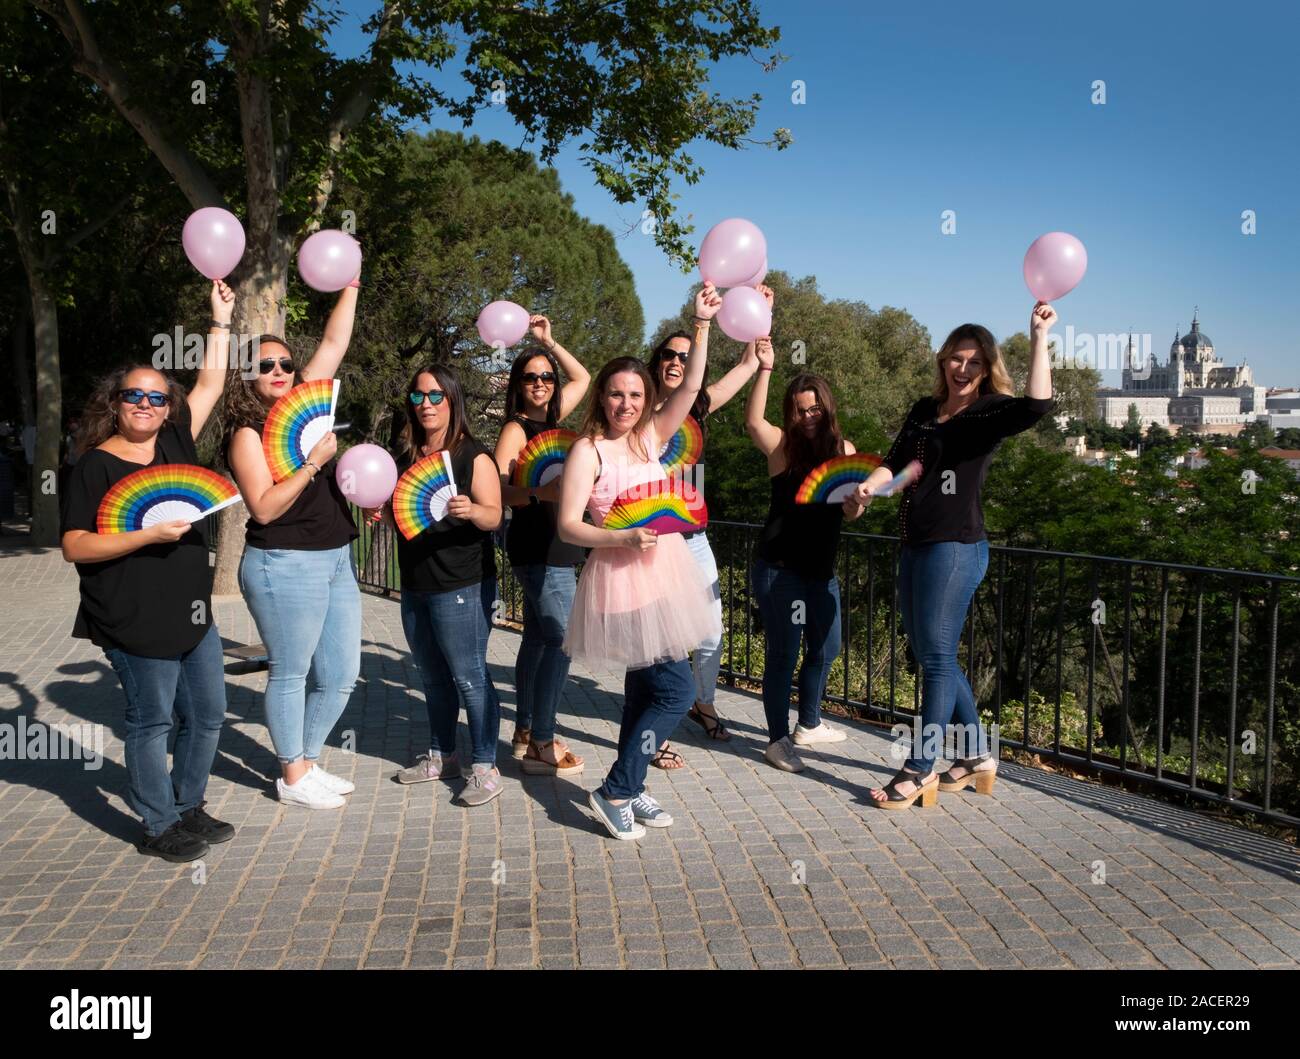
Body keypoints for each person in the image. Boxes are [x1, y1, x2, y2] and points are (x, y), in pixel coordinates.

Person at [855, 303, 1057, 809]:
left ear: (986, 369)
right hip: (915, 544)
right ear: (943, 361)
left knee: (938, 658)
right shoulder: (925, 410)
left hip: (956, 548)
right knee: (932, 655)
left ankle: (920, 767)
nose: (962, 369)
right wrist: (868, 488)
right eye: (955, 359)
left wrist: (1039, 336)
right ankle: (977, 758)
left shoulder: (989, 412)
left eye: (973, 362)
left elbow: (1037, 406)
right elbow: (897, 462)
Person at [60, 280, 235, 861]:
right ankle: (157, 825)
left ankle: (188, 806)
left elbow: (210, 381)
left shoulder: (177, 442)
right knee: (152, 721)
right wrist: (145, 534)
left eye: (156, 398)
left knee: (208, 715)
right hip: (131, 616)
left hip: (192, 612)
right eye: (134, 396)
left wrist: (219, 322)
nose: (145, 405)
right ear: (116, 402)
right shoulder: (94, 465)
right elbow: (76, 546)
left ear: (168, 408)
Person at [556, 284, 721, 839]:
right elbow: (568, 524)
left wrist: (700, 325)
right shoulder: (590, 451)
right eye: (615, 395)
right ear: (600, 398)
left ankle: (632, 786)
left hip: (667, 576)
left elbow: (693, 384)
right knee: (676, 691)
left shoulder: (650, 439)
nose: (625, 404)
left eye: (634, 395)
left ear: (644, 397)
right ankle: (617, 789)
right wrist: (621, 537)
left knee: (645, 691)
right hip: (621, 578)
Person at [224, 278, 362, 810]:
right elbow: (262, 506)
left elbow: (335, 343)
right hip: (283, 563)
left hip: (334, 557)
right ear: (248, 376)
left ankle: (305, 760)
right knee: (292, 671)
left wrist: (350, 283)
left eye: (285, 363)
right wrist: (312, 465)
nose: (278, 372)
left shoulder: (307, 402)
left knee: (343, 675)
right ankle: (291, 776)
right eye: (266, 366)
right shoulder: (245, 432)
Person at [642, 289, 769, 769]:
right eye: (670, 355)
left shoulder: (696, 407)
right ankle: (655, 728)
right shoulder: (644, 411)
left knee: (711, 629)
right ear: (657, 363)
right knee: (663, 638)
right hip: (654, 539)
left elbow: (744, 369)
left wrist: (756, 322)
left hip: (693, 538)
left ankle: (702, 701)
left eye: (685, 356)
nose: (677, 361)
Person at [378, 365, 505, 806]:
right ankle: (443, 755)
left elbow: (495, 515)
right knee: (432, 678)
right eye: (418, 397)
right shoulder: (404, 455)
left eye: (435, 396)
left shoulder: (474, 456)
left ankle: (486, 766)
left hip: (462, 584)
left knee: (470, 677)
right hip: (414, 584)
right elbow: (398, 509)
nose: (426, 404)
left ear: (452, 400)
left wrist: (472, 509)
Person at [745, 345, 868, 773]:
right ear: (791, 413)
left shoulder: (844, 449)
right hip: (779, 571)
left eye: (814, 407)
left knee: (827, 647)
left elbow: (851, 510)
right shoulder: (782, 447)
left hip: (821, 572)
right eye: (800, 409)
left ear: (826, 408)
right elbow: (752, 421)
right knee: (784, 654)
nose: (808, 415)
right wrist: (765, 367)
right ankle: (777, 740)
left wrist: (856, 505)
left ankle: (809, 724)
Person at [492, 316, 590, 775]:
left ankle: (526, 731)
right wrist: (540, 494)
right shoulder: (516, 430)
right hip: (537, 547)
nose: (540, 384)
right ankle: (542, 742)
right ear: (518, 384)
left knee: (536, 641)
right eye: (530, 377)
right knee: (562, 642)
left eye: (546, 377)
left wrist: (549, 342)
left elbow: (584, 377)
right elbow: (498, 492)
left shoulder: (554, 420)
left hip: (560, 547)